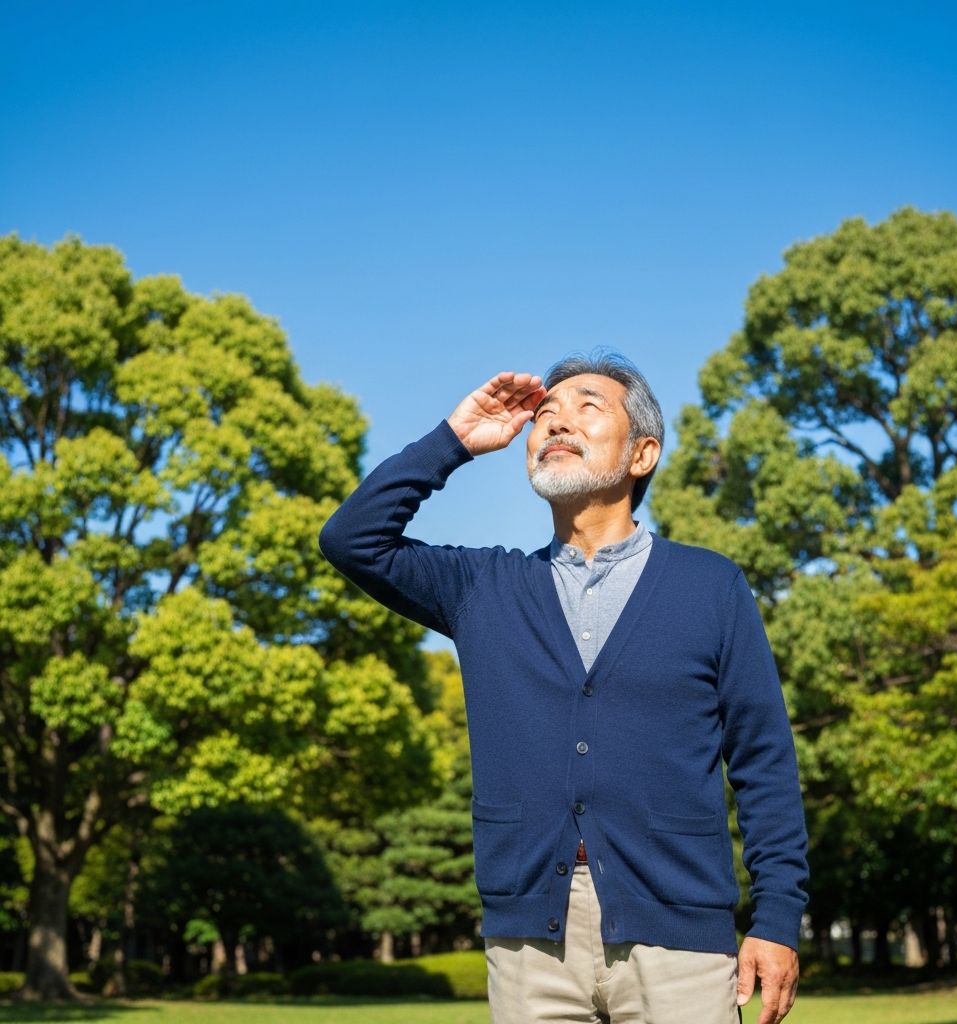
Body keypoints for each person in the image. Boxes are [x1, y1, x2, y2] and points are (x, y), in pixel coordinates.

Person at [319, 353, 808, 1024]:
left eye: (587, 407)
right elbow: (352, 541)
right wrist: (455, 441)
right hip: (529, 938)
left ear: (642, 454)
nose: (556, 421)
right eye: (544, 413)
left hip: (680, 930)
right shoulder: (481, 590)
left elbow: (764, 764)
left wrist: (777, 917)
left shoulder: (710, 587)